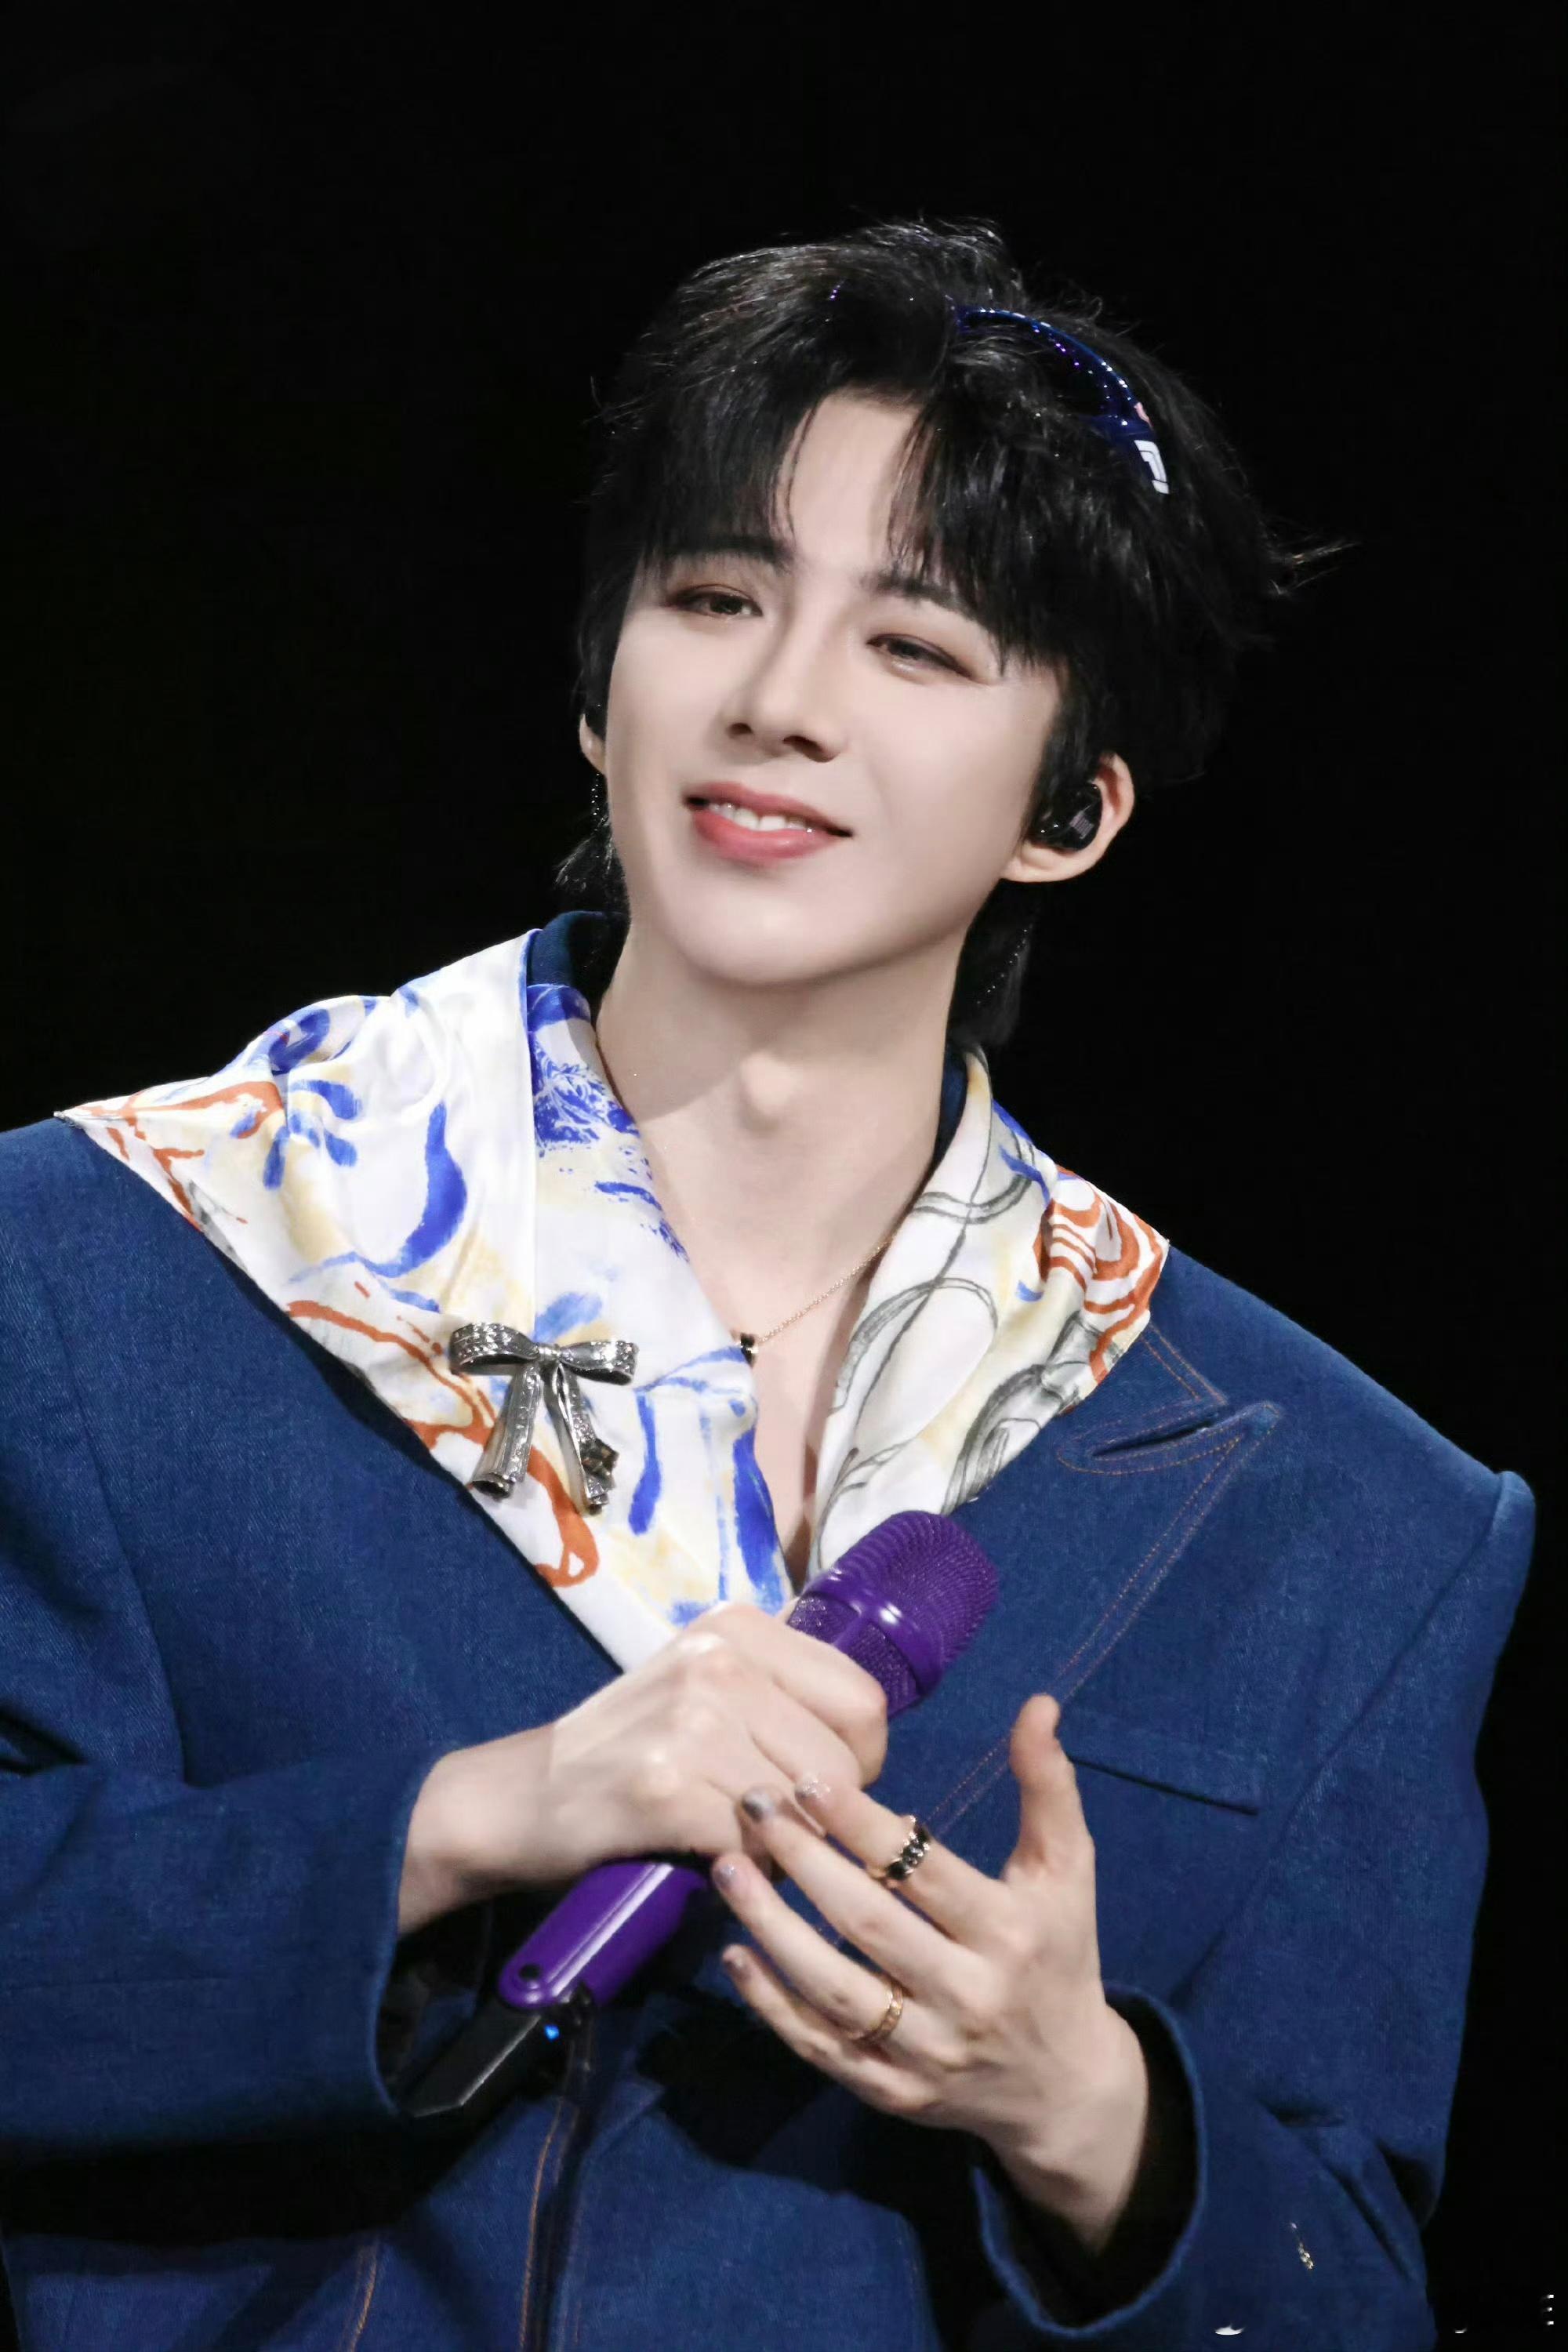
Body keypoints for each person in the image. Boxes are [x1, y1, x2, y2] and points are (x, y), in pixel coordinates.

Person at [0, 217, 1532, 2351]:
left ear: (1073, 807)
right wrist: (480, 1817)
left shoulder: (1347, 1522)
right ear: (597, 686)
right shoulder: (113, 1258)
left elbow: (1348, 2286)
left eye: (916, 645)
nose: (779, 703)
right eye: (716, 597)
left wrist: (1088, 2113)